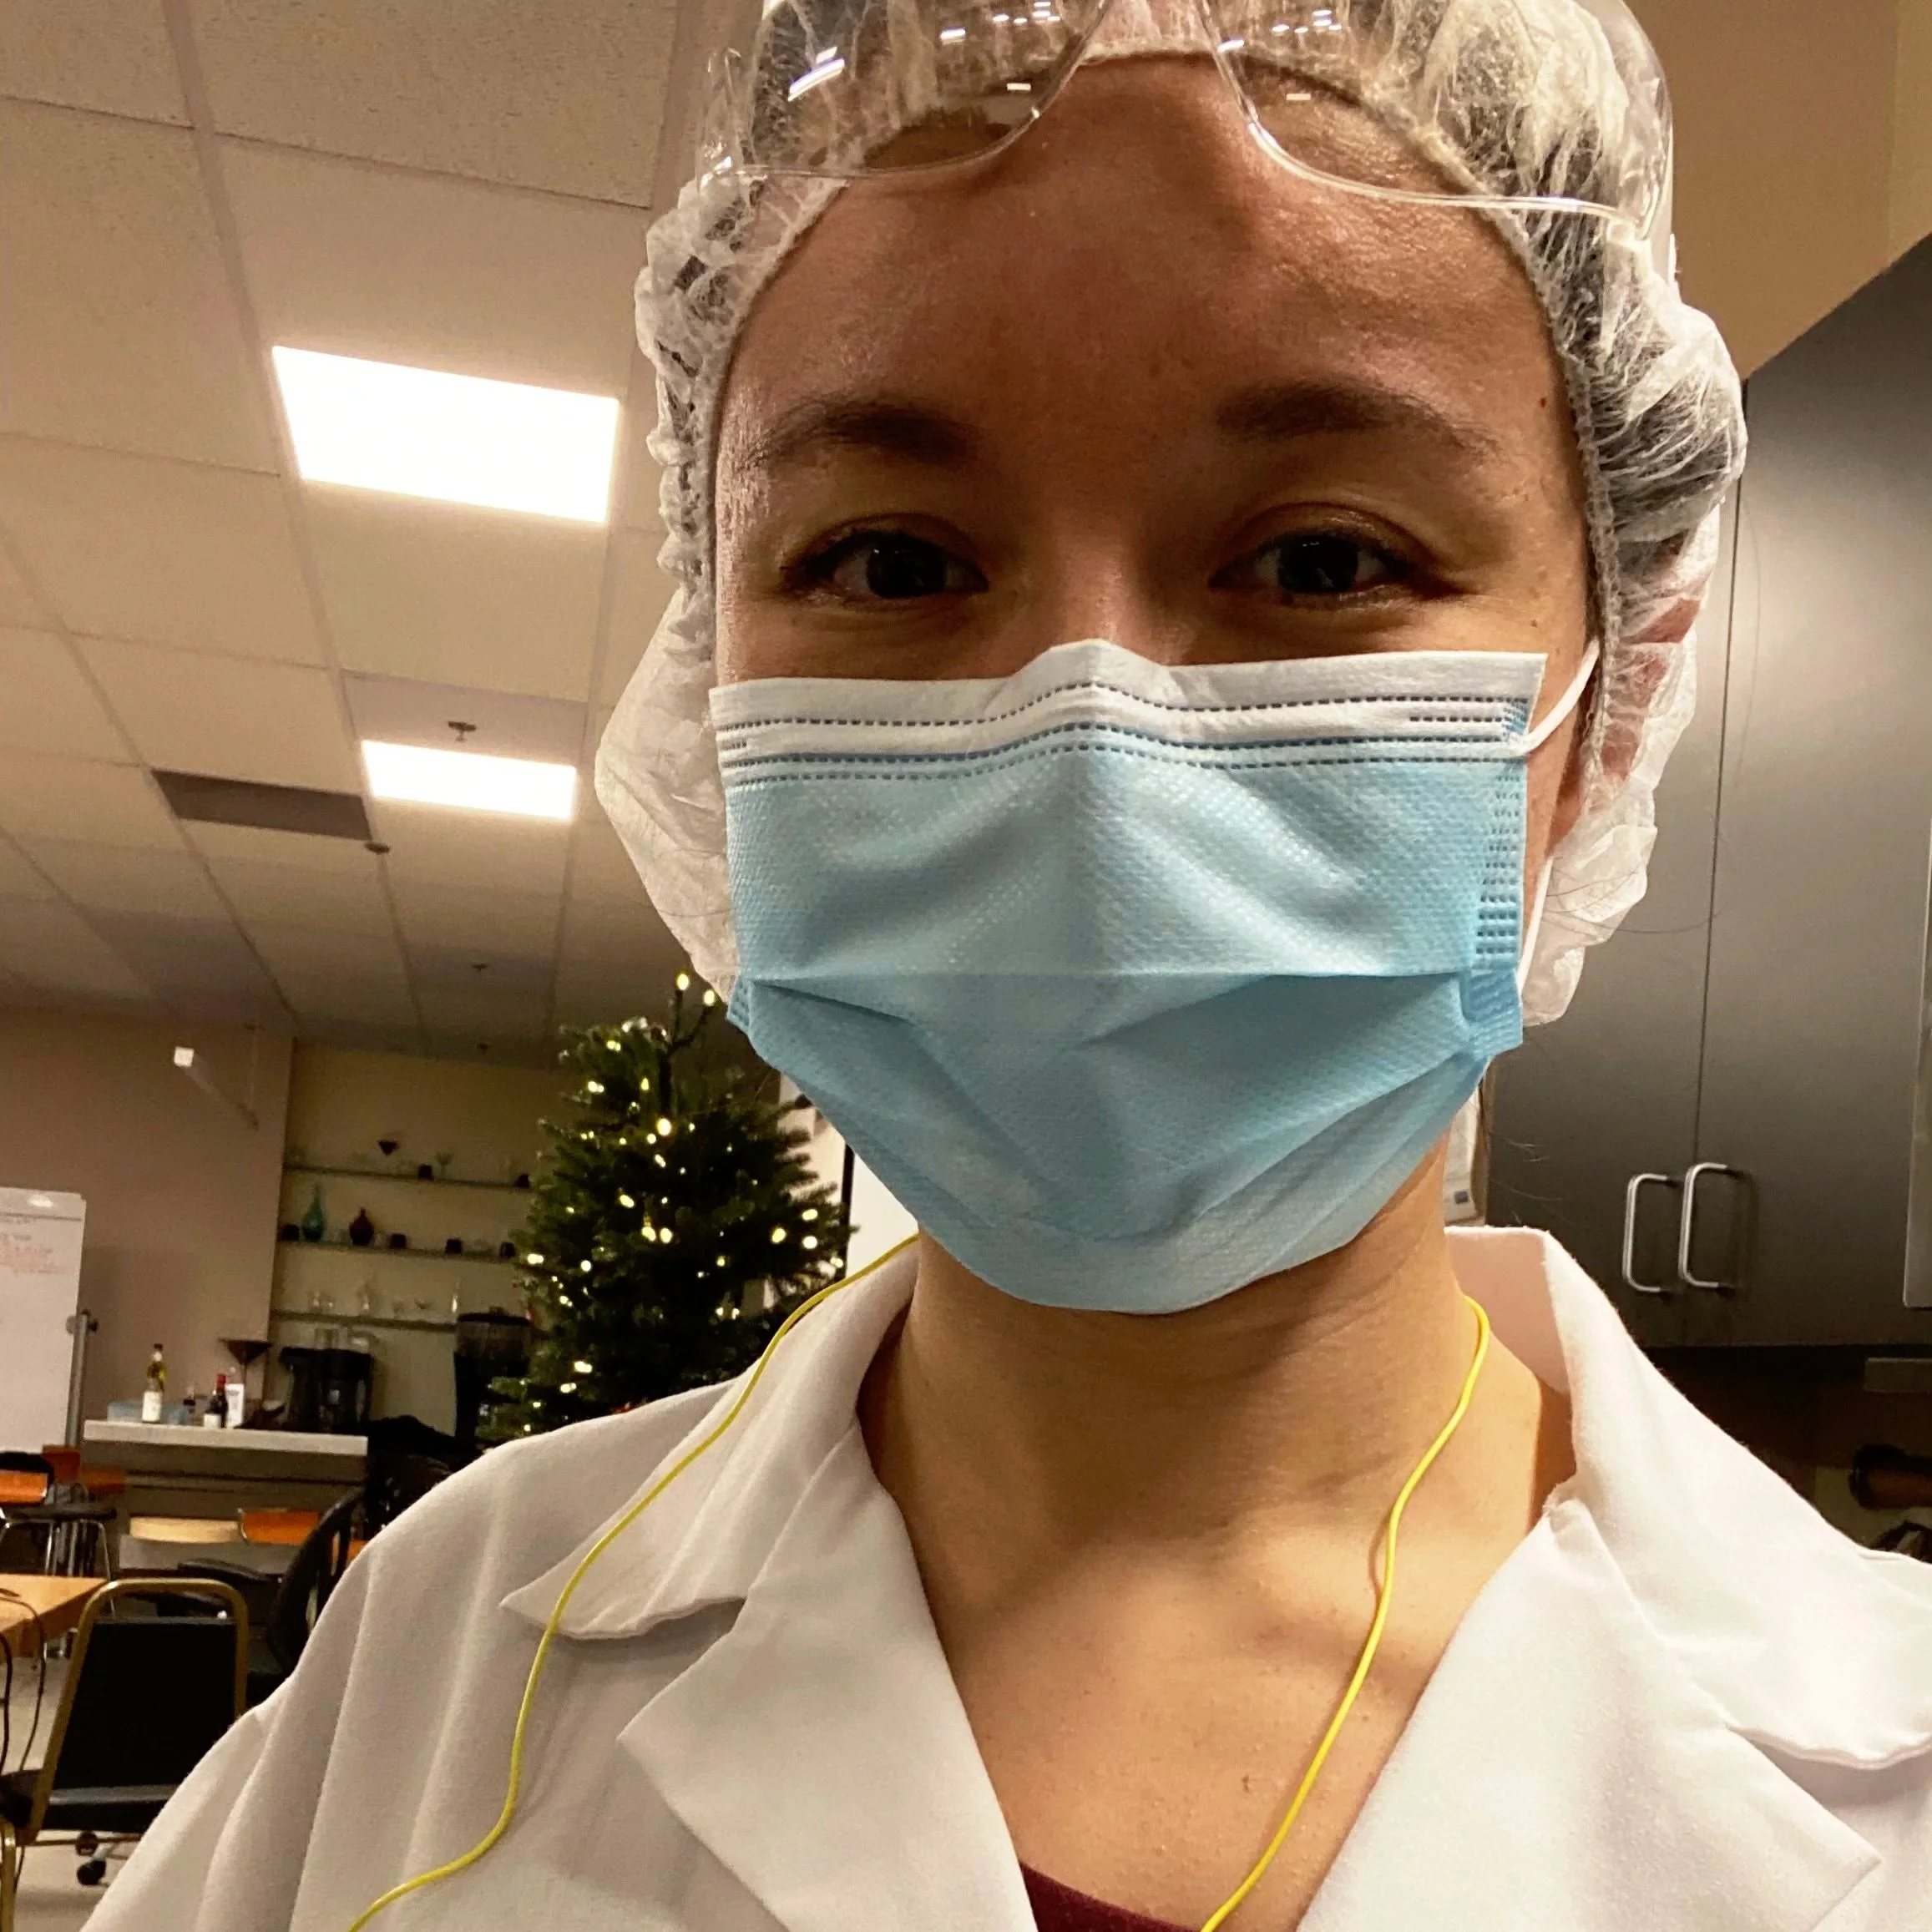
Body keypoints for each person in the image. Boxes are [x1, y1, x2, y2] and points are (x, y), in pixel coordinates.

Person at [94, 3, 1932, 1929]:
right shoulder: (432, 1657)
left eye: (1316, 561)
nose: (1088, 760)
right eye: (892, 562)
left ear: (1611, 703)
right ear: (714, 679)